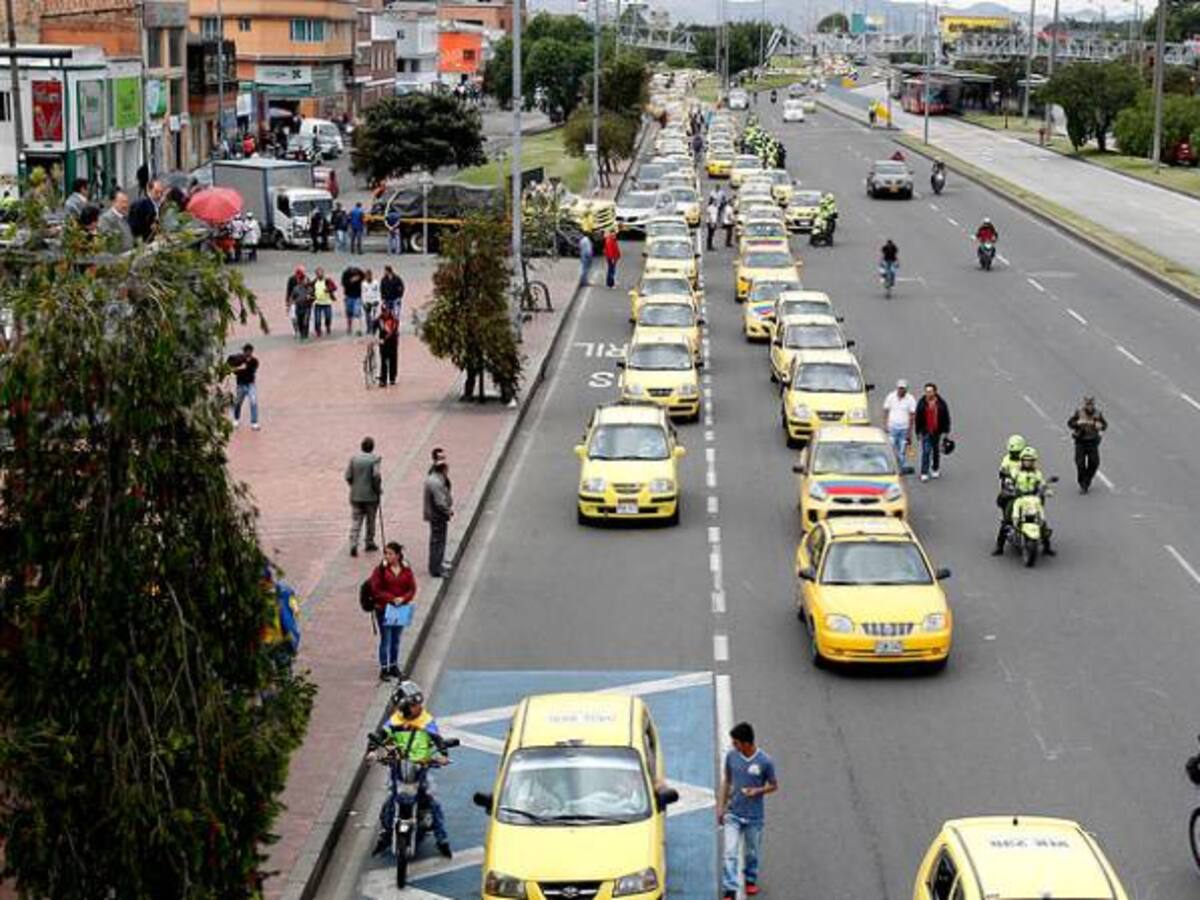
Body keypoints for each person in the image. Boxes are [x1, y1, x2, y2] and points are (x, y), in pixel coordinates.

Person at [369, 680, 452, 859]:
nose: (418, 708)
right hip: (399, 767)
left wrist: (442, 755)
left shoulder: (426, 720)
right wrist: (374, 751)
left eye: (418, 704)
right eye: (414, 705)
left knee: (432, 802)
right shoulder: (394, 721)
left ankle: (442, 840)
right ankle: (385, 833)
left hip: (421, 767)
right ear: (404, 707)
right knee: (391, 800)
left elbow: (437, 739)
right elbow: (380, 737)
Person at [719, 722, 777, 900]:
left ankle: (750, 879)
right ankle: (730, 889)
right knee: (729, 852)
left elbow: (774, 786)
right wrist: (721, 807)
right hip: (733, 813)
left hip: (754, 817)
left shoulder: (765, 761)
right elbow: (727, 781)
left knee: (752, 852)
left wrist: (757, 791)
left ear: (746, 743)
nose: (733, 746)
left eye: (735, 742)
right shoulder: (731, 757)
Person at [368, 542, 416, 680]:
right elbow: (376, 590)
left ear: (398, 555)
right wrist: (391, 598)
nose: (387, 556)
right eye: (386, 553)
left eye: (390, 553)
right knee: (386, 639)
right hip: (384, 609)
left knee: (396, 639)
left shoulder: (406, 570)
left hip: (400, 608)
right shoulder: (380, 570)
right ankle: (384, 668)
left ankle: (394, 666)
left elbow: (412, 589)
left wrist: (404, 599)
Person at [346, 436, 382, 558]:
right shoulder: (375, 459)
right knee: (370, 520)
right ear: (372, 447)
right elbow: (376, 477)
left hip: (356, 495)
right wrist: (378, 490)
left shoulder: (354, 459)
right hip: (371, 496)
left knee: (356, 520)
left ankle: (354, 543)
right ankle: (369, 542)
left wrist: (354, 486)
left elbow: (348, 476)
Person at [261, 566, 301, 671]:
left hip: (271, 640)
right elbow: (296, 611)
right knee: (283, 669)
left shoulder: (258, 597)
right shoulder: (284, 591)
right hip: (280, 639)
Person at [1067, 395, 1107, 494]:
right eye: (1087, 404)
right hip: (1080, 441)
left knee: (1094, 463)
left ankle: (1087, 480)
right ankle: (1082, 483)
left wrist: (1100, 426)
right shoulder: (1079, 413)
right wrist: (1077, 423)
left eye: (1091, 404)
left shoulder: (1098, 414)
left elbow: (1104, 425)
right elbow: (1070, 423)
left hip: (1092, 442)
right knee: (1080, 463)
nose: (1089, 406)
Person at [913, 383, 951, 482]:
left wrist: (946, 431)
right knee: (926, 451)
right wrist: (917, 431)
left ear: (935, 392)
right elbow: (917, 418)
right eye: (926, 391)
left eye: (930, 391)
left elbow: (946, 417)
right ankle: (924, 472)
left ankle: (935, 468)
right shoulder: (922, 403)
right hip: (925, 431)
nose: (928, 393)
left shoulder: (941, 404)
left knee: (935, 451)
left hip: (937, 431)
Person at [424, 449, 453, 578]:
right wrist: (448, 510)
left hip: (436, 515)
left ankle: (437, 564)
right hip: (437, 516)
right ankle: (436, 568)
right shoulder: (435, 482)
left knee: (438, 541)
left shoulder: (437, 479)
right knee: (438, 542)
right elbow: (440, 502)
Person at [882, 379, 917, 469]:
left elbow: (912, 415)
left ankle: (901, 467)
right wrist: (885, 425)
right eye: (900, 388)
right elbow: (886, 411)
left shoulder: (910, 399)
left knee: (902, 449)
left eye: (903, 389)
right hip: (892, 427)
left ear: (906, 389)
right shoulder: (891, 397)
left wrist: (910, 431)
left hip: (904, 428)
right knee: (891, 447)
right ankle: (892, 466)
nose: (901, 390)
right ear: (897, 388)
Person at [227, 343, 261, 430]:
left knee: (253, 402)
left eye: (250, 352)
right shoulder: (239, 359)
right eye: (247, 352)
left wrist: (242, 367)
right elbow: (232, 369)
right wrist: (239, 367)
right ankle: (236, 419)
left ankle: (254, 422)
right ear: (244, 352)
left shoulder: (254, 361)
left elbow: (251, 370)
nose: (249, 354)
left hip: (250, 385)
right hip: (241, 385)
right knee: (238, 403)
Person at [377, 304, 400, 386]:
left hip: (392, 342)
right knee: (383, 361)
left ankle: (392, 378)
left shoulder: (394, 319)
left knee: (393, 360)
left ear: (389, 311)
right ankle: (383, 380)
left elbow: (392, 331)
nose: (384, 313)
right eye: (383, 311)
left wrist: (385, 338)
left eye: (386, 311)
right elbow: (375, 327)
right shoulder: (380, 319)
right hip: (383, 344)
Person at [288, 268, 313, 340]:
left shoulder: (309, 288)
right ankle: (302, 333)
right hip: (299, 307)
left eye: (305, 280)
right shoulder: (295, 288)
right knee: (300, 321)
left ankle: (305, 334)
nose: (304, 281)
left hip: (307, 307)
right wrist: (290, 304)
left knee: (306, 320)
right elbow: (292, 297)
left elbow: (313, 296)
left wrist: (310, 298)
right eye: (302, 280)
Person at [311, 266, 336, 336]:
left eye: (320, 273)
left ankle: (328, 327)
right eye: (317, 273)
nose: (319, 275)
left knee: (328, 317)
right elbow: (310, 289)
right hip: (318, 303)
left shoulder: (328, 280)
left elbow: (334, 287)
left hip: (327, 303)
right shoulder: (314, 282)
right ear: (316, 274)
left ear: (323, 273)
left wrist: (329, 289)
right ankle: (318, 331)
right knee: (317, 320)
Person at [341, 264, 365, 336]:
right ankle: (349, 326)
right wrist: (351, 280)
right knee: (349, 314)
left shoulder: (359, 274)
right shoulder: (346, 275)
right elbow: (343, 283)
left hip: (357, 297)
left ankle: (359, 329)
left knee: (357, 313)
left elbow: (363, 275)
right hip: (348, 296)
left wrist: (359, 270)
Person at [362, 269, 381, 335]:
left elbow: (378, 292)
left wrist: (378, 300)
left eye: (369, 275)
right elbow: (363, 293)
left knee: (374, 316)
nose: (368, 277)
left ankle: (373, 328)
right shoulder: (363, 284)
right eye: (366, 276)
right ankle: (368, 328)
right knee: (367, 316)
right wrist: (364, 302)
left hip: (374, 301)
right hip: (367, 301)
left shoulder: (376, 283)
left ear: (371, 275)